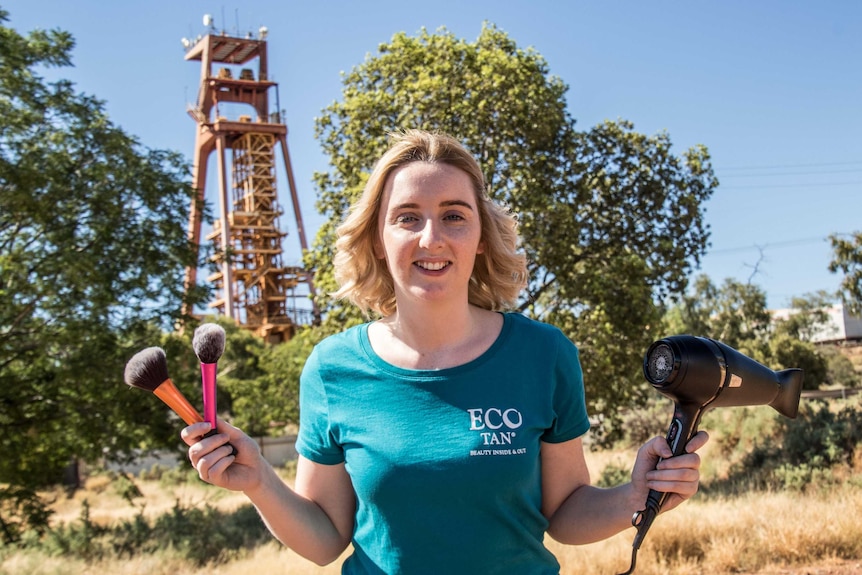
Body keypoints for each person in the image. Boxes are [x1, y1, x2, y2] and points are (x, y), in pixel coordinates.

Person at [182, 129, 708, 574]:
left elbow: (565, 513)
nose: (432, 237)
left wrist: (635, 496)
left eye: (454, 216)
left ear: (480, 236)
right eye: (407, 217)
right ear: (377, 239)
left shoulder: (544, 354)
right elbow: (324, 540)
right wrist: (257, 482)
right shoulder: (331, 368)